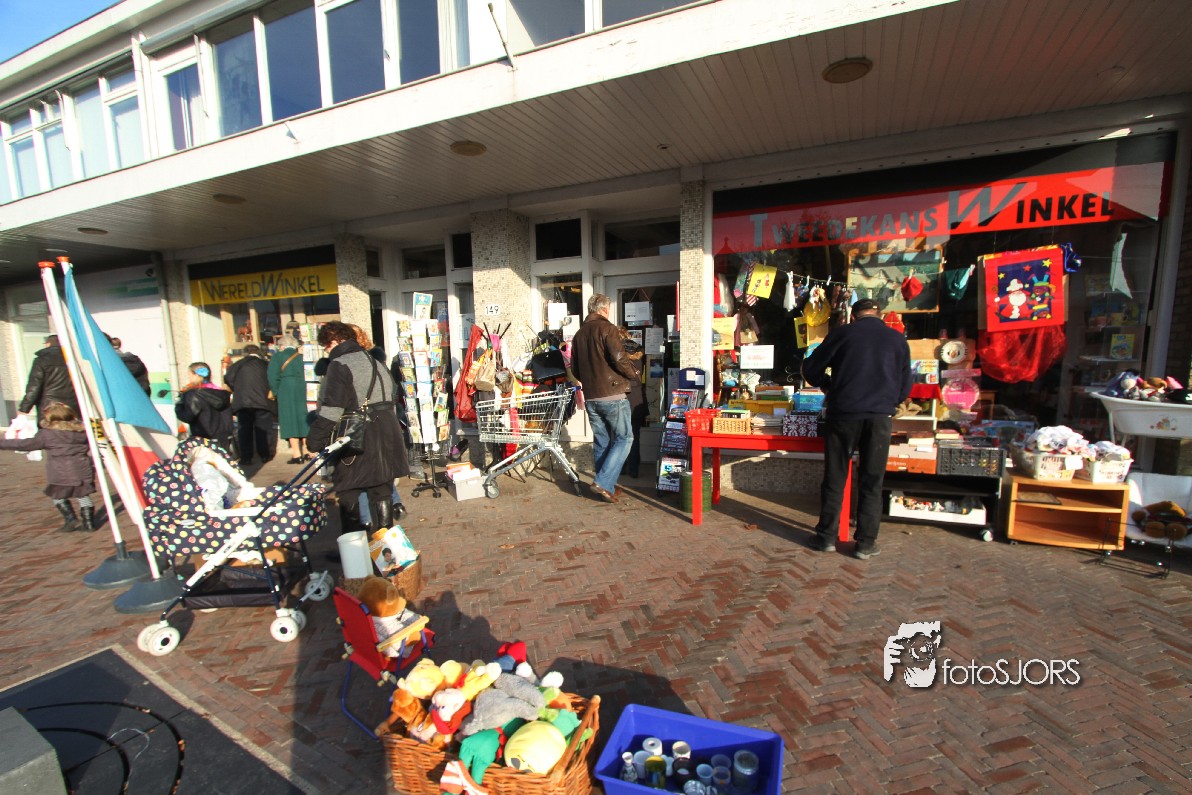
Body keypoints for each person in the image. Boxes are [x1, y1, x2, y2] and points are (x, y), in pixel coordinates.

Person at [801, 297, 912, 560]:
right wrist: (889, 402)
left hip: (844, 414)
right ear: (880, 315)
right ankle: (865, 543)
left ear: (853, 316)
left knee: (835, 476)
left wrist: (829, 384)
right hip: (880, 416)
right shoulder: (897, 340)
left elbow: (811, 369)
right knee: (872, 480)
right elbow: (906, 384)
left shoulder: (842, 334)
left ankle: (826, 537)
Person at [307, 321, 410, 538]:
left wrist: (315, 439)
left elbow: (332, 409)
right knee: (382, 490)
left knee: (348, 491)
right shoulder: (376, 361)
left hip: (358, 434)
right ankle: (385, 547)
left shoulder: (340, 364)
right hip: (387, 431)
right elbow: (392, 397)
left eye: (327, 346)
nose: (326, 351)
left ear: (336, 340)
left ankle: (356, 548)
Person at [570, 294, 638, 503]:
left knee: (602, 441)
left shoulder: (579, 334)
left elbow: (575, 369)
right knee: (625, 438)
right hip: (612, 394)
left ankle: (605, 487)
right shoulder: (608, 328)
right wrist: (632, 374)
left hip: (591, 397)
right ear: (604, 309)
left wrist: (590, 383)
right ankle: (602, 483)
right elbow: (619, 358)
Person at [0, 402, 96, 531]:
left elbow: (25, 444)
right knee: (83, 496)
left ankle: (70, 519)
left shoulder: (47, 434)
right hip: (82, 468)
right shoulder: (82, 431)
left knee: (57, 496)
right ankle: (89, 524)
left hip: (60, 471)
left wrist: (2, 443)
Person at [224, 344, 274, 466]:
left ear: (245, 353)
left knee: (244, 429)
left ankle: (246, 457)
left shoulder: (238, 364)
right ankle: (264, 455)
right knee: (263, 428)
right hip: (263, 401)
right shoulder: (265, 364)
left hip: (243, 401)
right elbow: (273, 380)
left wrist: (237, 388)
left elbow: (228, 378)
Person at [18, 335, 80, 425]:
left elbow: (33, 387)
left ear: (48, 344)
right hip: (73, 405)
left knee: (50, 431)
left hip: (49, 407)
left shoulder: (41, 360)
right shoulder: (74, 359)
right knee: (72, 429)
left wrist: (24, 409)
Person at [268, 335, 310, 464]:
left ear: (282, 346)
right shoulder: (302, 357)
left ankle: (297, 454)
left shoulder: (278, 357)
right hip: (303, 387)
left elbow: (272, 376)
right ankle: (307, 450)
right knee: (304, 417)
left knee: (289, 419)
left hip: (286, 389)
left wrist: (276, 391)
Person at [175, 362, 235, 453]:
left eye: (189, 375)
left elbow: (187, 416)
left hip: (204, 438)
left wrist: (179, 405)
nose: (189, 378)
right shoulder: (223, 393)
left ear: (195, 375)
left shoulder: (193, 394)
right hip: (224, 438)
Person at [618, 328, 648, 479]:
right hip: (638, 399)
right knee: (635, 436)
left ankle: (623, 467)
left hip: (624, 398)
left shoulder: (619, 357)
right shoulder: (639, 355)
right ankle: (634, 468)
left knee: (622, 436)